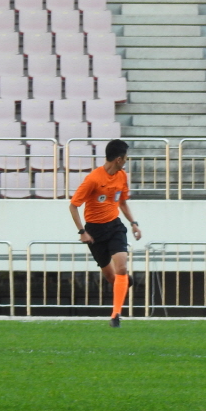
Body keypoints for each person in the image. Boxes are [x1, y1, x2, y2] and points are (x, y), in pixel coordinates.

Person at [69, 139, 142, 328]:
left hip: (115, 227)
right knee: (112, 277)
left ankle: (115, 315)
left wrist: (133, 223)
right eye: (125, 158)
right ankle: (123, 281)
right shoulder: (93, 179)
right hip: (94, 231)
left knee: (121, 269)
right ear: (118, 159)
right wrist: (82, 232)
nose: (126, 161)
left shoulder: (122, 176)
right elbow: (73, 205)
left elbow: (123, 202)